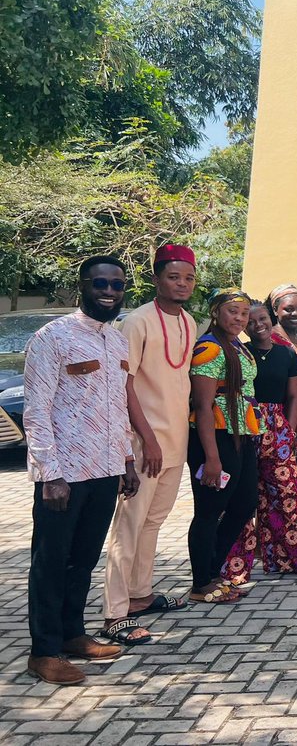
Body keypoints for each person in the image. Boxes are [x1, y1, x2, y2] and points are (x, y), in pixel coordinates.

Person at [25, 255, 138, 684]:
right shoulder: (52, 337)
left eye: (116, 285)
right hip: (65, 474)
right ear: (83, 287)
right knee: (51, 561)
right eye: (100, 284)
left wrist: (127, 460)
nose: (109, 291)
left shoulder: (117, 341)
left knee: (84, 558)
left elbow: (118, 407)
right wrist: (48, 473)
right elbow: (36, 411)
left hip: (105, 469)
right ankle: (44, 651)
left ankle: (73, 634)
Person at [102, 244, 196, 645]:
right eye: (173, 277)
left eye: (188, 278)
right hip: (145, 443)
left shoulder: (189, 321)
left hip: (176, 440)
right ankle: (114, 613)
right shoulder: (137, 322)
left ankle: (140, 594)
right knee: (129, 525)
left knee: (154, 522)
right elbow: (124, 385)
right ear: (156, 279)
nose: (182, 284)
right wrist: (146, 439)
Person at [223, 302, 297, 585]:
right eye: (251, 320)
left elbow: (293, 396)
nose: (258, 325)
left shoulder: (286, 354)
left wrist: (288, 431)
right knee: (242, 498)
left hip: (278, 428)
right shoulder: (238, 353)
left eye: (262, 318)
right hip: (244, 426)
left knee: (288, 494)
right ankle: (234, 568)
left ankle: (296, 559)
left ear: (271, 319)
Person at [187, 289, 262, 602]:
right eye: (233, 311)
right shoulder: (209, 348)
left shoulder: (237, 346)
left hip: (241, 433)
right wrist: (212, 457)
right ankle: (201, 583)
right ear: (216, 313)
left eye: (244, 313)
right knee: (209, 510)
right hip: (216, 436)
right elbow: (203, 405)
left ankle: (213, 570)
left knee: (244, 504)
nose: (240, 318)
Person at [265, 283, 297, 491]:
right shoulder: (271, 339)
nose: (296, 313)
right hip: (284, 409)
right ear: (275, 310)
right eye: (289, 309)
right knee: (292, 474)